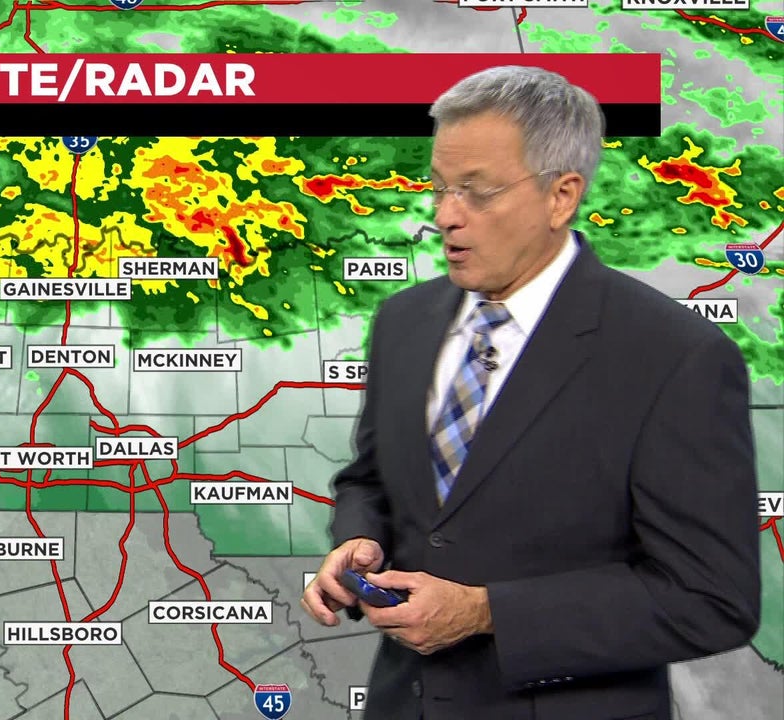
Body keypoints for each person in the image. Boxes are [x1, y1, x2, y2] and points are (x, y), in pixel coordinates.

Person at [299, 65, 761, 720]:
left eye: (477, 192)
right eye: (440, 188)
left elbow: (711, 599)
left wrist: (486, 613)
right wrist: (359, 542)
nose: (445, 216)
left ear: (560, 196)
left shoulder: (675, 359)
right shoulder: (404, 321)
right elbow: (368, 481)